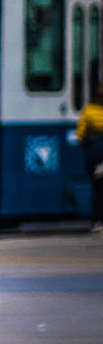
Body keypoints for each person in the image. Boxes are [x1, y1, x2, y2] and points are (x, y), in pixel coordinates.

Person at [75, 80, 103, 233]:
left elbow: (80, 135)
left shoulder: (88, 111)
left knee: (98, 189)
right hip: (98, 156)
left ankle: (98, 221)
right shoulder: (90, 111)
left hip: (95, 155)